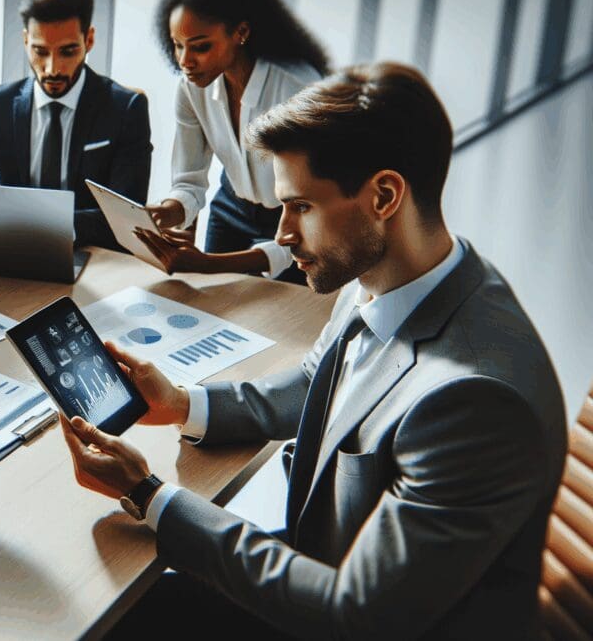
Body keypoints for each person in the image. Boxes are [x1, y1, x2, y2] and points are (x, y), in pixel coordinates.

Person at [59, 63, 567, 638]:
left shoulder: (474, 404)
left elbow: (353, 615)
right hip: (324, 572)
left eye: (300, 206)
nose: (281, 234)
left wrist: (147, 493)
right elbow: (318, 380)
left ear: (383, 195)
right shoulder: (393, 277)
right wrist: (182, 404)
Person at [138, 0, 330, 284]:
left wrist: (208, 264)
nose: (185, 61)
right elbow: (189, 181)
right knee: (214, 311)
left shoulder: (299, 90)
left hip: (292, 222)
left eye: (200, 47)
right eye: (177, 45)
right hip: (231, 210)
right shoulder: (191, 87)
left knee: (285, 323)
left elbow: (313, 216)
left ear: (241, 32)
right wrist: (167, 211)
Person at [0, 0, 152, 250]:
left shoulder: (126, 109)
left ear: (89, 39)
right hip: (11, 252)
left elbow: (128, 216)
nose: (52, 68)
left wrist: (38, 226)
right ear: (25, 41)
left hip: (91, 256)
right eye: (40, 51)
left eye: (67, 52)